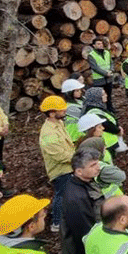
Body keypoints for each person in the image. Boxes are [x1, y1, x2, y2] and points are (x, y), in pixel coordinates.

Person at [38, 96, 74, 233]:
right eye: (61, 110)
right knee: (61, 194)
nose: (64, 111)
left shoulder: (58, 123)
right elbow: (59, 155)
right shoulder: (49, 133)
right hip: (61, 170)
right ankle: (56, 223)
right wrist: (76, 158)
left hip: (68, 165)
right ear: (52, 113)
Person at [61, 149, 101, 254]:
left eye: (97, 163)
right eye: (93, 165)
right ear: (79, 171)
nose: (98, 167)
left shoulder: (84, 182)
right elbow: (85, 232)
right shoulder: (76, 198)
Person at [83, 87, 123, 158]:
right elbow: (106, 124)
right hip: (106, 143)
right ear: (96, 98)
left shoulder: (98, 107)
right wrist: (118, 130)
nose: (106, 95)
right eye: (103, 94)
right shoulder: (94, 112)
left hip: (108, 142)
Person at [88, 37, 116, 113]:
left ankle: (110, 109)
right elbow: (95, 67)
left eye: (101, 43)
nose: (101, 45)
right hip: (99, 80)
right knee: (100, 97)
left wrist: (111, 70)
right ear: (94, 45)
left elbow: (111, 63)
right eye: (98, 44)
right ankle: (102, 111)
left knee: (109, 96)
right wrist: (105, 73)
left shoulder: (107, 52)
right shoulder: (91, 55)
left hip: (108, 79)